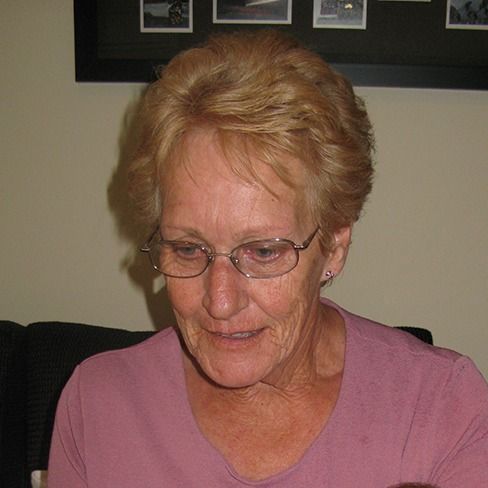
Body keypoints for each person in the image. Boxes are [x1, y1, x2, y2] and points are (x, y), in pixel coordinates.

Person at [47, 30, 488, 487]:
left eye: (262, 251)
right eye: (188, 249)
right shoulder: (98, 406)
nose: (220, 302)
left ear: (335, 245)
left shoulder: (441, 411)